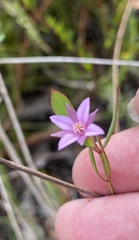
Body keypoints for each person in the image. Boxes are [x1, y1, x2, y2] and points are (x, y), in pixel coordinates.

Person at [55, 89, 139, 240]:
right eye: (76, 128)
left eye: (79, 126)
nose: (78, 128)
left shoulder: (90, 129)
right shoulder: (76, 135)